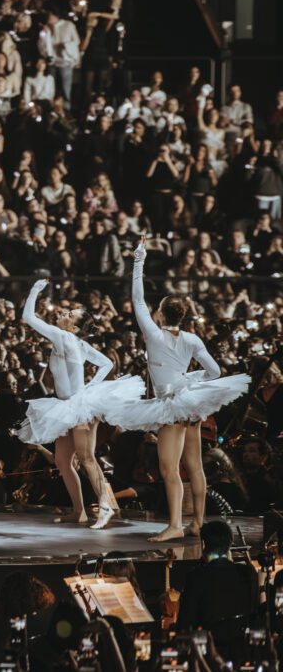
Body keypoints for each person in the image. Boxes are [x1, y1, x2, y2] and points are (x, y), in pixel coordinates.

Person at [108, 240, 250, 542]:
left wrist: (139, 259)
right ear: (183, 317)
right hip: (190, 404)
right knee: (195, 466)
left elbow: (137, 298)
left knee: (168, 468)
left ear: (161, 314)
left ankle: (174, 525)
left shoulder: (153, 334)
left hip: (172, 406)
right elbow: (215, 372)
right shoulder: (192, 340)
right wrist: (189, 381)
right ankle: (197, 523)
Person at [17, 279, 144, 530]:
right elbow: (107, 363)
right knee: (63, 461)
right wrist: (91, 386)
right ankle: (79, 511)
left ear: (73, 326)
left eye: (70, 314)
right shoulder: (80, 343)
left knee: (87, 458)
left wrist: (34, 290)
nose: (64, 313)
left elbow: (28, 317)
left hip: (79, 407)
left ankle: (105, 507)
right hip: (67, 407)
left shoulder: (64, 336)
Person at [177, 520, 258, 661]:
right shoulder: (248, 573)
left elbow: (185, 622)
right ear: (229, 545)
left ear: (203, 544)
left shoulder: (196, 576)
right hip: (241, 650)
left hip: (206, 654)